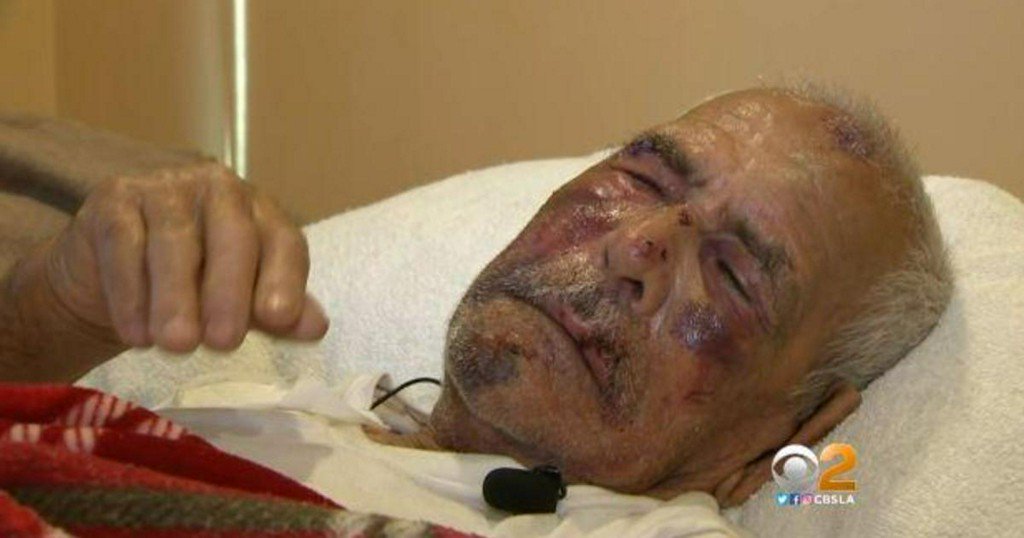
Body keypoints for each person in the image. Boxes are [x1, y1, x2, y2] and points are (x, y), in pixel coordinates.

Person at [0, 85, 952, 526]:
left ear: (787, 433)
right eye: (642, 177)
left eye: (736, 276)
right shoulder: (257, 395)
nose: (637, 244)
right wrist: (50, 313)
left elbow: (825, 489)